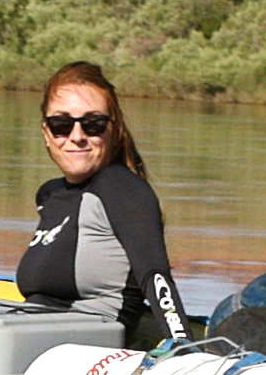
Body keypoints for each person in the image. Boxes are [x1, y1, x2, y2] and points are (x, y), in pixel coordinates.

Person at [15, 61, 189, 347]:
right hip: (28, 335)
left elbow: (156, 278)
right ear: (46, 132)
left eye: (93, 124)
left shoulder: (121, 187)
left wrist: (183, 347)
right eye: (62, 124)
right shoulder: (49, 195)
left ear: (114, 129)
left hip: (89, 356)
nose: (77, 136)